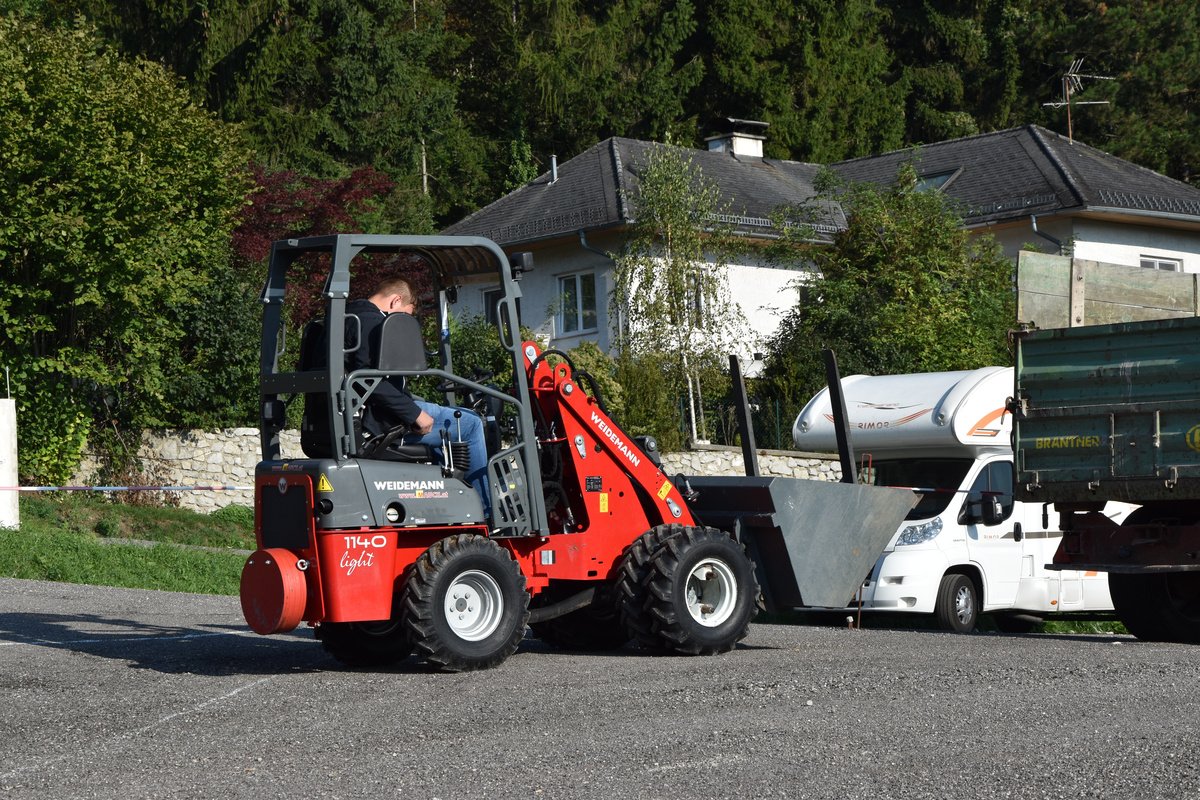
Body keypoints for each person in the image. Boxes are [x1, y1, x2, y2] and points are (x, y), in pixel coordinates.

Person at [346, 277, 491, 518]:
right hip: (379, 421)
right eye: (404, 317)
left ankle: (448, 506)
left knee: (447, 418)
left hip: (361, 414)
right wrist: (414, 414)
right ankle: (485, 515)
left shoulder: (345, 317)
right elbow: (370, 381)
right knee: (471, 424)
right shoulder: (373, 322)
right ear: (396, 301)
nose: (401, 325)